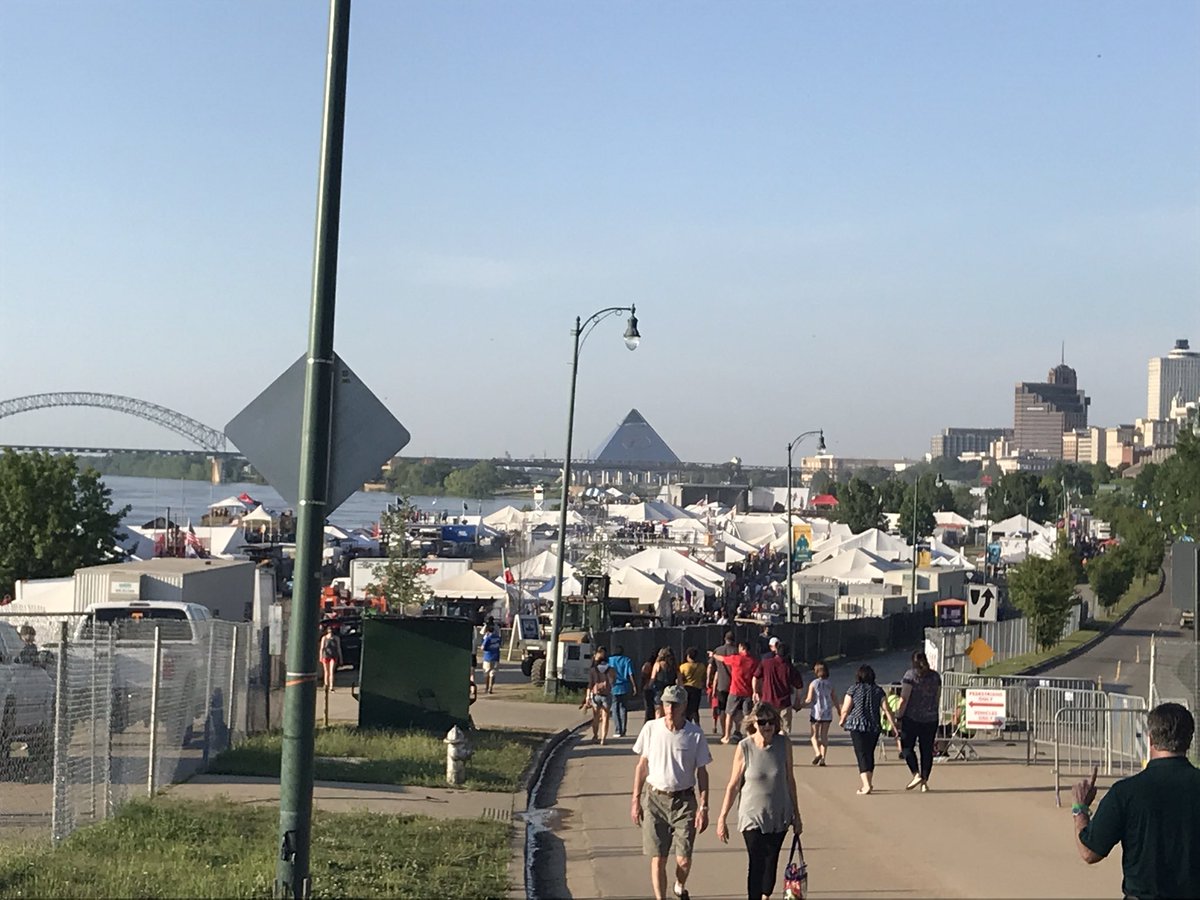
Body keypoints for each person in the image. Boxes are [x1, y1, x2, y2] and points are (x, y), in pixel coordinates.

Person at [1072, 702, 1200, 898]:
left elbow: (1089, 852)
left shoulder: (1126, 792)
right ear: (1190, 740)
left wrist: (1080, 809)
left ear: (1150, 739)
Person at [631, 684, 712, 900]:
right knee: (658, 857)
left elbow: (702, 772)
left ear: (684, 706)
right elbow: (642, 766)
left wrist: (704, 806)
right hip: (655, 799)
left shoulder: (694, 734)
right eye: (667, 704)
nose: (670, 709)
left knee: (683, 859)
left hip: (684, 802)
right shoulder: (651, 728)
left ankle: (679, 884)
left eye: (675, 704)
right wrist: (635, 800)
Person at [716, 702, 802, 900]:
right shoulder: (744, 747)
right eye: (762, 722)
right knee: (756, 861)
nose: (767, 726)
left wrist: (797, 815)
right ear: (754, 723)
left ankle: (765, 895)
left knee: (771, 861)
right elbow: (733, 785)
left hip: (779, 814)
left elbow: (790, 779)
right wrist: (722, 818)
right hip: (752, 815)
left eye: (771, 721)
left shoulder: (783, 744)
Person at [838, 665, 897, 795]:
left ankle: (866, 785)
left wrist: (842, 719)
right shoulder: (878, 691)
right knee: (869, 753)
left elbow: (846, 708)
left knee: (861, 754)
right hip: (873, 726)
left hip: (857, 725)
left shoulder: (853, 689)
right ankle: (868, 782)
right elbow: (887, 709)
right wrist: (894, 726)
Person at [895, 650, 941, 791]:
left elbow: (904, 699)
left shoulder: (910, 676)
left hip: (912, 718)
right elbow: (937, 697)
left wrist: (898, 716)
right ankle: (924, 782)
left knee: (907, 747)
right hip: (931, 718)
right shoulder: (935, 677)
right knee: (926, 750)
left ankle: (916, 774)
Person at [712, 641, 762, 745]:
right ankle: (749, 735)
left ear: (742, 648)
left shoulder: (737, 659)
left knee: (729, 714)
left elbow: (723, 659)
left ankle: (727, 736)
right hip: (748, 692)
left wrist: (714, 655)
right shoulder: (754, 661)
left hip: (735, 690)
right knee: (747, 715)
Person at [756, 641, 802, 735]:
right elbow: (799, 686)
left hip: (768, 701)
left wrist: (756, 691)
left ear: (776, 651)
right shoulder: (789, 667)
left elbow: (756, 677)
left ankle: (770, 740)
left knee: (768, 727)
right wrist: (797, 700)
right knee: (784, 729)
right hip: (784, 703)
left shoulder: (766, 663)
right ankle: (782, 741)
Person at [800, 661, 834, 766]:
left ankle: (817, 752)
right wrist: (838, 709)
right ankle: (823, 759)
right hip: (827, 713)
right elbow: (834, 698)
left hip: (816, 713)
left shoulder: (813, 684)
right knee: (824, 736)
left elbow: (809, 699)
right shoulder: (830, 684)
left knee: (814, 736)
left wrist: (801, 705)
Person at [707, 631, 737, 737]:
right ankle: (734, 730)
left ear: (725, 639)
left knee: (722, 709)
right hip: (734, 684)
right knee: (734, 710)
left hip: (721, 684)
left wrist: (708, 680)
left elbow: (710, 666)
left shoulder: (718, 650)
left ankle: (724, 732)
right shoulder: (736, 651)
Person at [607, 645, 638, 738]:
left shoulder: (610, 660)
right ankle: (623, 730)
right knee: (623, 708)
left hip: (613, 687)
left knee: (614, 708)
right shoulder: (627, 660)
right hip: (624, 686)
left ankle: (618, 730)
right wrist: (634, 686)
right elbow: (630, 674)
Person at [678, 648, 706, 725]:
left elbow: (680, 678)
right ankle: (697, 724)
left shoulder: (683, 666)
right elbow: (703, 678)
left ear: (688, 656)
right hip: (697, 689)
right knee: (695, 709)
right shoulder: (702, 666)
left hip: (686, 688)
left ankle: (687, 723)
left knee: (686, 709)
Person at [651, 648, 680, 718]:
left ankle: (658, 724)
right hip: (671, 691)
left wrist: (649, 686)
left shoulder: (658, 664)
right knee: (669, 711)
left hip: (659, 690)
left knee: (658, 711)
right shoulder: (675, 666)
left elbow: (652, 678)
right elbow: (680, 681)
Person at [479, 624, 502, 695]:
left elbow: (483, 647)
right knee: (493, 673)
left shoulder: (488, 638)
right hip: (496, 657)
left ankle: (486, 687)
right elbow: (500, 644)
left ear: (488, 631)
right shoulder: (497, 638)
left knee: (486, 673)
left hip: (488, 657)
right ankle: (490, 688)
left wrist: (482, 647)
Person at [319, 622, 342, 691]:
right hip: (326, 655)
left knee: (331, 671)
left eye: (331, 630)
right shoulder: (324, 638)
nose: (330, 631)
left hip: (334, 656)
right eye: (329, 630)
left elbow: (338, 648)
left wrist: (341, 657)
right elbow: (322, 648)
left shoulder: (336, 638)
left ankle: (331, 686)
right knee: (326, 671)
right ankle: (326, 684)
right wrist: (321, 656)